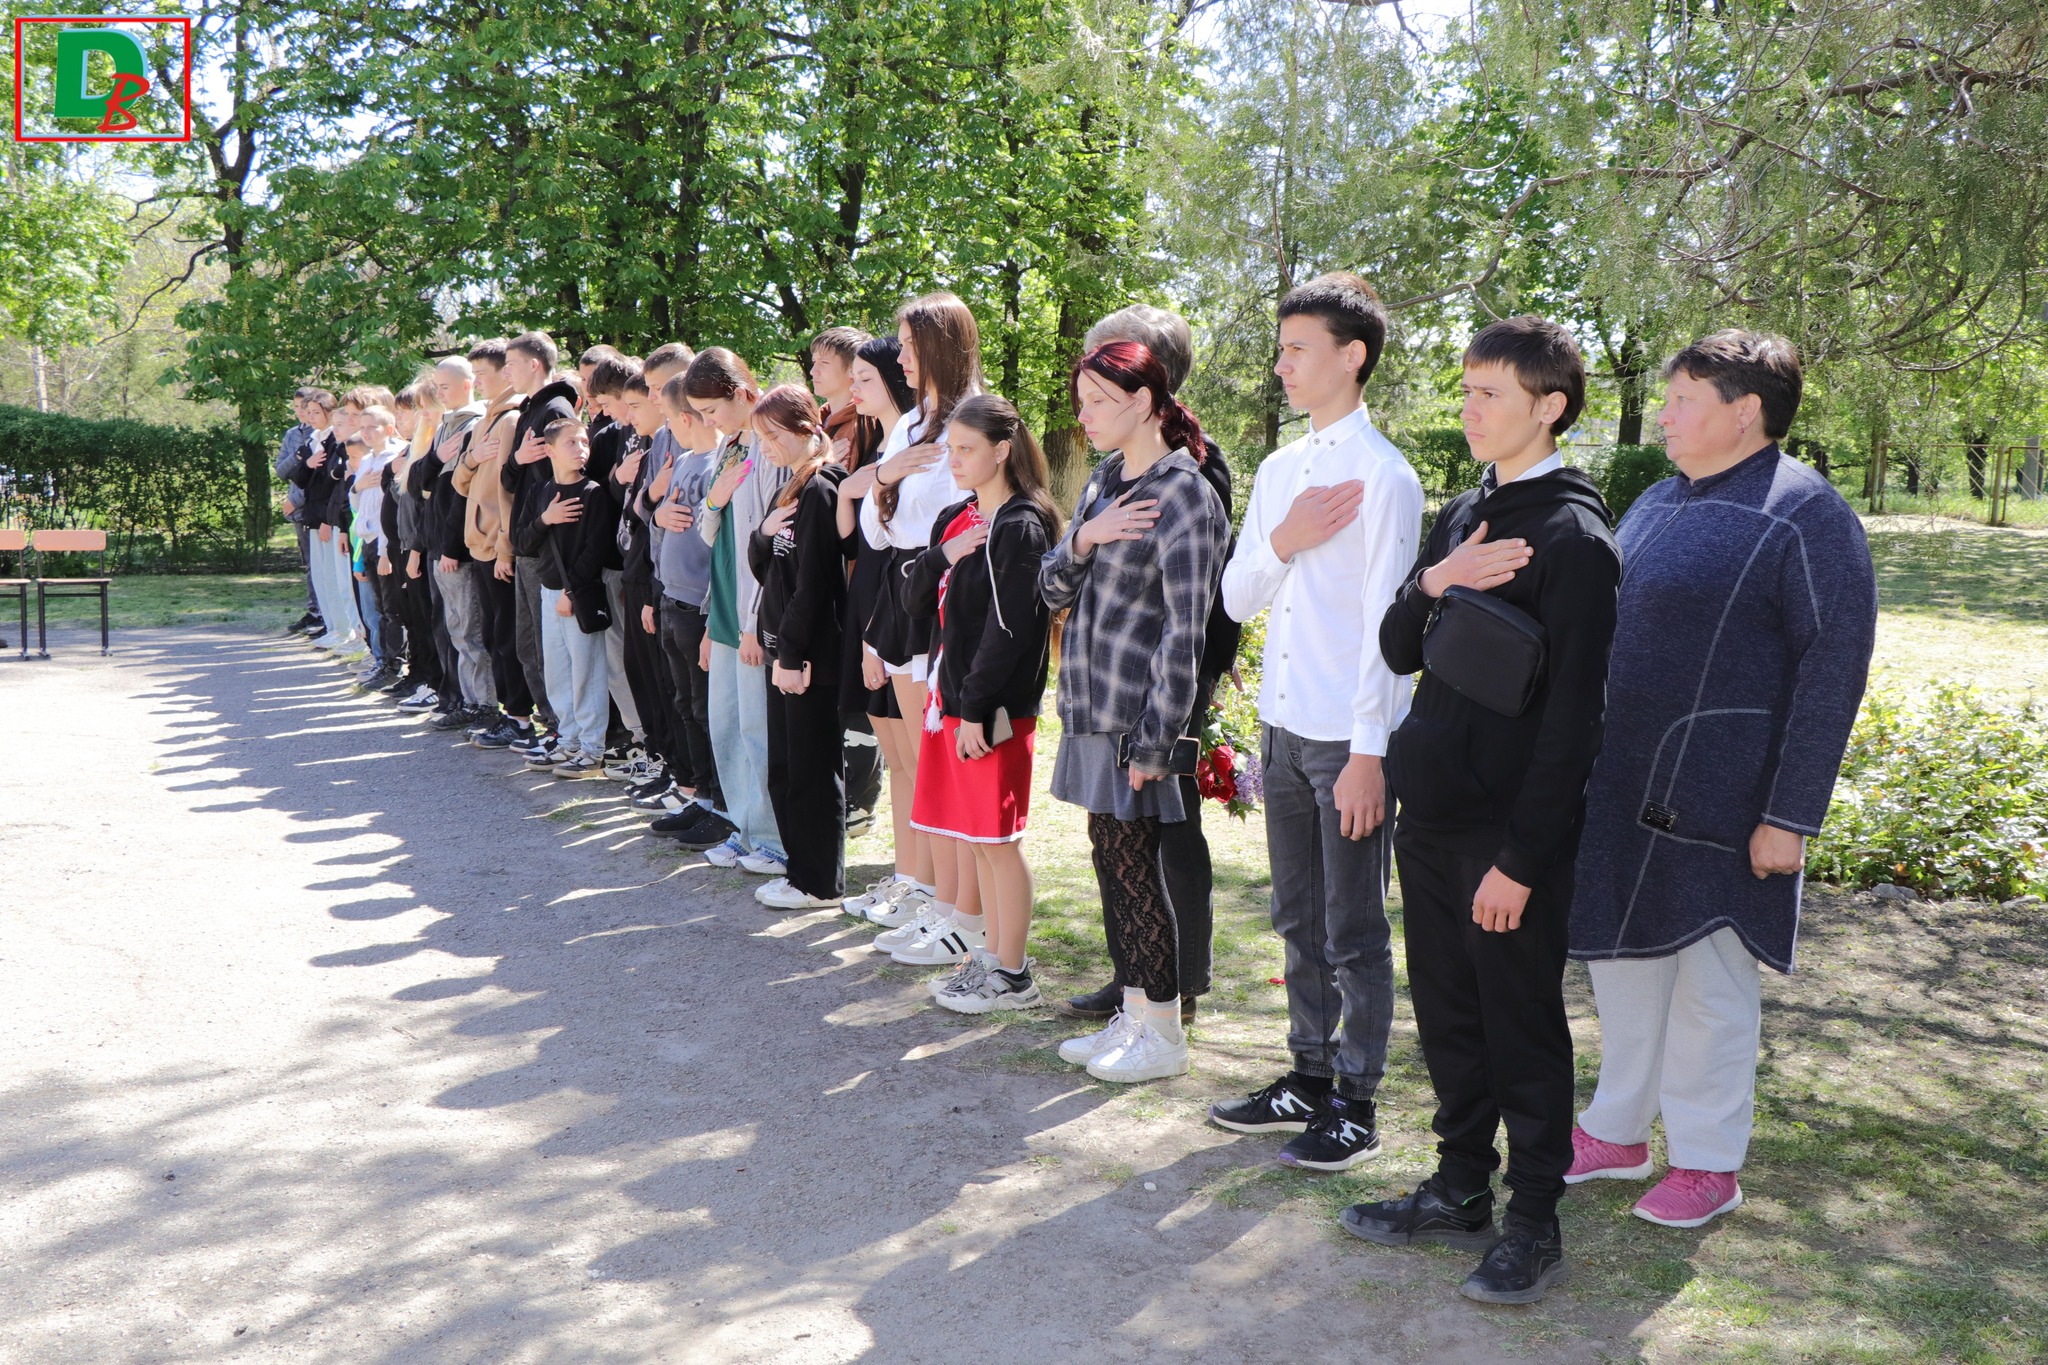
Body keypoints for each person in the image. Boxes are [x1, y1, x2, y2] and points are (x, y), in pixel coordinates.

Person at [1566, 331, 1876, 1230]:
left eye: (1683, 400)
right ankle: (1617, 1130)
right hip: (1624, 779)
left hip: (1728, 797)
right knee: (1623, 962)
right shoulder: (1656, 500)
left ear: (1745, 412)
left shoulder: (1807, 513)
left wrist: (1791, 814)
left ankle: (1708, 1159)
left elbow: (1834, 670)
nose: (1663, 415)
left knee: (1711, 980)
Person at [1344, 315, 1621, 1307]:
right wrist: (1438, 578)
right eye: (1464, 391)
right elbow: (1396, 648)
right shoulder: (1465, 513)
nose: (1468, 409)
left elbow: (1575, 724)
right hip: (1430, 817)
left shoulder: (1575, 541)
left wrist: (1522, 860)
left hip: (1508, 839)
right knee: (1450, 1015)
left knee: (1520, 1024)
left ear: (1548, 406)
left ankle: (1533, 1221)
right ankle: (1460, 1186)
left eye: (1488, 393)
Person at [1207, 272, 1421, 1171]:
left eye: (1298, 349)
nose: (1282, 366)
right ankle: (1307, 1075)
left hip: (1348, 739)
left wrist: (1370, 753)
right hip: (1283, 727)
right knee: (1295, 918)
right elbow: (1235, 595)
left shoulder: (1386, 477)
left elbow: (1387, 633)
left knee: (1353, 928)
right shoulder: (1276, 472)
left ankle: (1356, 1103)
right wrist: (1285, 538)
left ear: (1352, 356)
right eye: (1282, 348)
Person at [1039, 339, 1229, 1084]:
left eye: (1098, 401)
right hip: (1089, 704)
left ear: (1144, 402)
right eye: (1081, 400)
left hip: (1136, 715)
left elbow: (1187, 629)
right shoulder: (1103, 480)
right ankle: (1136, 1013)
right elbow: (1051, 589)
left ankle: (1165, 1031)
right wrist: (1085, 535)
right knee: (1111, 860)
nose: (1083, 416)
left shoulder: (1186, 494)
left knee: (1137, 867)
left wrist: (1157, 738)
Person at [902, 394, 1061, 1013]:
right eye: (951, 449)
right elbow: (915, 600)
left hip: (992, 712)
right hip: (955, 702)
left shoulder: (1021, 525)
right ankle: (991, 960)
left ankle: (1014, 975)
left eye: (967, 449)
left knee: (997, 841)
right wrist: (945, 553)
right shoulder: (961, 517)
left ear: (1002, 450)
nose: (956, 460)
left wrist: (973, 709)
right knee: (974, 839)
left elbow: (1010, 631)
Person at [866, 293, 991, 968]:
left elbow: (953, 522)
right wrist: (886, 475)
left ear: (944, 346)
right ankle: (941, 904)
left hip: (949, 596)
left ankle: (963, 914)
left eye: (912, 346)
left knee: (946, 768)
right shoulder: (911, 424)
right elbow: (875, 529)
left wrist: (888, 493)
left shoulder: (974, 418)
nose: (902, 359)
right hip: (906, 587)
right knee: (926, 771)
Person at [835, 335, 937, 923]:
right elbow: (864, 534)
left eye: (865, 378)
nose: (854, 388)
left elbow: (901, 539)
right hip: (877, 608)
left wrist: (871, 483)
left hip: (903, 606)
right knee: (899, 759)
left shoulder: (921, 436)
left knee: (919, 760)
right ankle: (907, 876)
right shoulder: (888, 440)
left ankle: (927, 885)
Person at [746, 385, 852, 911]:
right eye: (760, 437)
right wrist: (764, 533)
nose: (765, 446)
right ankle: (799, 872)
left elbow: (814, 584)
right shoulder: (790, 486)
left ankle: (819, 883)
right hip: (782, 651)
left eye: (773, 435)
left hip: (808, 656)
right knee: (785, 769)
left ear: (807, 430)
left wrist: (791, 655)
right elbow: (764, 570)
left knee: (811, 771)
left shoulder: (823, 488)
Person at [687, 348, 792, 875]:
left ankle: (773, 839)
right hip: (725, 608)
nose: (709, 422)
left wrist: (754, 623)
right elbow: (710, 534)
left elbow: (773, 545)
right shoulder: (728, 448)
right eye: (700, 414)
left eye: (712, 410)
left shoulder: (773, 446)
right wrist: (714, 500)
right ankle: (745, 828)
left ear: (742, 392)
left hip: (756, 613)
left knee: (758, 730)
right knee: (726, 726)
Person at [648, 367, 740, 852]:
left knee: (708, 711)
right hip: (671, 598)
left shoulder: (716, 464)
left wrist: (709, 614)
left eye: (669, 417)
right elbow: (660, 523)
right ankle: (702, 796)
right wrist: (657, 514)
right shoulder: (684, 460)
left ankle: (723, 805)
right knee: (685, 705)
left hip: (700, 607)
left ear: (686, 417)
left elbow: (720, 542)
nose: (666, 426)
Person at [809, 326, 886, 834]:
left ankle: (859, 799)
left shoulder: (863, 428)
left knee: (860, 688)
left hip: (856, 571)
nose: (813, 371)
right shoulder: (823, 423)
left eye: (824, 363)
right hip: (828, 570)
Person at [621, 342, 699, 809]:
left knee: (691, 700)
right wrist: (653, 500)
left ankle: (697, 789)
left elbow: (690, 518)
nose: (652, 398)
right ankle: (680, 776)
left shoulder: (696, 435)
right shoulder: (664, 436)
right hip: (660, 581)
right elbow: (645, 508)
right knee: (671, 692)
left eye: (657, 388)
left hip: (692, 592)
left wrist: (655, 505)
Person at [516, 415, 613, 778]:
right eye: (571, 442)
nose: (581, 449)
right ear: (551, 450)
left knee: (586, 672)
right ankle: (568, 740)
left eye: (584, 442)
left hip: (578, 594)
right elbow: (522, 542)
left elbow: (596, 548)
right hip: (548, 590)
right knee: (557, 671)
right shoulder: (540, 492)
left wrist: (571, 591)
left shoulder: (593, 492)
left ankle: (592, 747)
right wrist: (547, 518)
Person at [499, 331, 580, 744]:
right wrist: (518, 458)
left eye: (511, 364)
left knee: (548, 647)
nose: (505, 373)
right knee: (528, 644)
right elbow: (508, 479)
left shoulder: (555, 409)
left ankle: (560, 729)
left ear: (534, 364)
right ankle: (552, 725)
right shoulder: (529, 410)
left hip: (547, 546)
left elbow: (566, 481)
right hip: (527, 541)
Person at [454, 341, 531, 744]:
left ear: (505, 372)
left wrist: (505, 547)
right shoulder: (486, 419)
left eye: (482, 374)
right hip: (479, 543)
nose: (477, 382)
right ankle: (508, 714)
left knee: (507, 636)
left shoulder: (511, 419)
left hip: (499, 546)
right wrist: (472, 457)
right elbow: (459, 481)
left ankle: (520, 719)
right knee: (492, 635)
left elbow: (508, 491)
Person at [275, 390, 323, 636]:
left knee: (320, 564)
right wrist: (297, 456)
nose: (300, 412)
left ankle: (321, 613)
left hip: (312, 507)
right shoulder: (292, 434)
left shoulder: (321, 434)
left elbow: (318, 477)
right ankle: (313, 610)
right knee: (309, 564)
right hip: (298, 512)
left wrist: (295, 499)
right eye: (296, 407)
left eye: (304, 407)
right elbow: (282, 470)